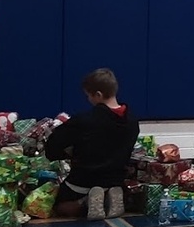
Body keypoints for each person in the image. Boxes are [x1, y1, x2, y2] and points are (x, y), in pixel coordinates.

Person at [46, 68, 140, 219]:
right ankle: (111, 196)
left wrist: (67, 153)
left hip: (83, 182)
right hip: (115, 179)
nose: (88, 100)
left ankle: (85, 203)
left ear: (98, 95)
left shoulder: (84, 120)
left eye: (88, 96)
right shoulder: (133, 121)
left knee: (59, 206)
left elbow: (52, 146)